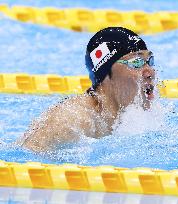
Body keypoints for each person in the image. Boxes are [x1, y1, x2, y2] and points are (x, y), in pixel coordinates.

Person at [21, 27, 155, 152]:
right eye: (136, 62)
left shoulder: (131, 116)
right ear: (106, 75)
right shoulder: (71, 120)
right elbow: (27, 159)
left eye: (149, 61)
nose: (150, 72)